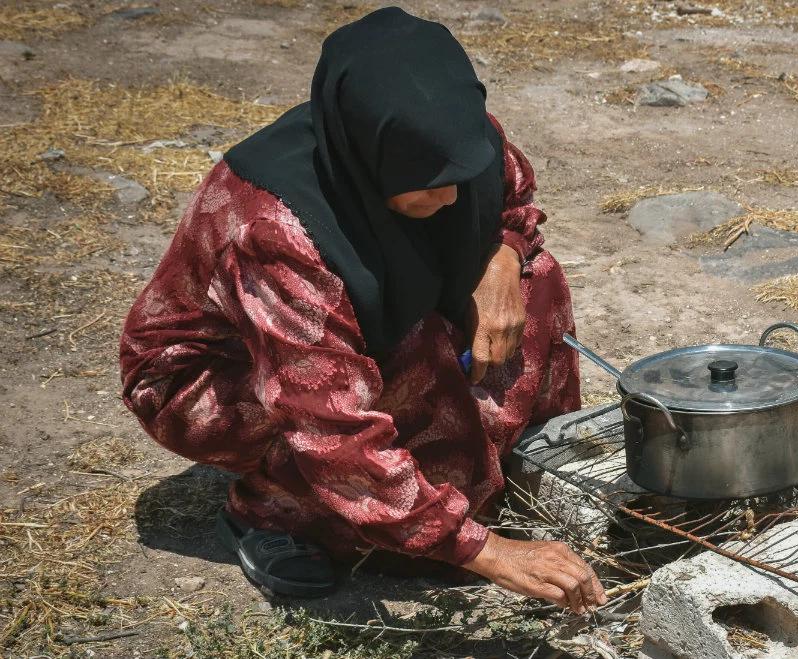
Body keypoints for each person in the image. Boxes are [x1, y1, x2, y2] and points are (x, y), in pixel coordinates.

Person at [118, 7, 606, 614]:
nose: (451, 195)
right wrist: (482, 551)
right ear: (368, 154)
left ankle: (520, 464)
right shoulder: (274, 229)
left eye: (460, 171)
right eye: (426, 181)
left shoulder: (457, 138)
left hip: (355, 332)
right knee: (412, 367)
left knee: (537, 281)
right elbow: (328, 422)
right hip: (212, 376)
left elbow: (512, 200)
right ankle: (275, 512)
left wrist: (503, 258)